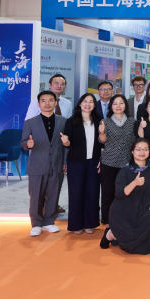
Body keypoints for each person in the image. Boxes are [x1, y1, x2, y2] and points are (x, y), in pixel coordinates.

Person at [100, 139, 150, 254]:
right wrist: (134, 183)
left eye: (145, 149)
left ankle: (117, 235)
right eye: (138, 149)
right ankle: (111, 234)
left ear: (149, 152)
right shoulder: (125, 170)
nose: (142, 152)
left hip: (144, 207)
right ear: (132, 152)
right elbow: (119, 194)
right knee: (129, 235)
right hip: (124, 209)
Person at [21, 91, 67, 236]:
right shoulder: (30, 122)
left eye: (51, 100)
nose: (47, 103)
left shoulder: (63, 121)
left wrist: (65, 161)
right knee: (36, 196)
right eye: (43, 100)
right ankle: (36, 223)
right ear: (38, 104)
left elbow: (66, 144)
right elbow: (23, 142)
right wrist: (27, 144)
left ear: (55, 103)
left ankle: (49, 222)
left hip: (56, 164)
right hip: (37, 164)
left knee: (53, 194)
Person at [61, 93, 103, 234]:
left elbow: (103, 143)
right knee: (76, 193)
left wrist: (101, 160)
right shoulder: (71, 121)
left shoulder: (99, 121)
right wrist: (66, 142)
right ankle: (76, 225)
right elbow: (67, 142)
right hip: (76, 162)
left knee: (92, 193)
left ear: (94, 105)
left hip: (94, 162)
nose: (88, 104)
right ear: (80, 103)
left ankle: (90, 223)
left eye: (91, 101)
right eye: (85, 101)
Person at [99, 94, 136, 230]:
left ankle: (123, 218)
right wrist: (101, 132)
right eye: (115, 103)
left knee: (126, 192)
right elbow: (102, 141)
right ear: (111, 106)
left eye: (121, 103)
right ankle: (107, 220)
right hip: (109, 161)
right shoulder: (106, 121)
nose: (118, 106)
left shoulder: (132, 121)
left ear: (125, 105)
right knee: (108, 192)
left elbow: (135, 140)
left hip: (126, 162)